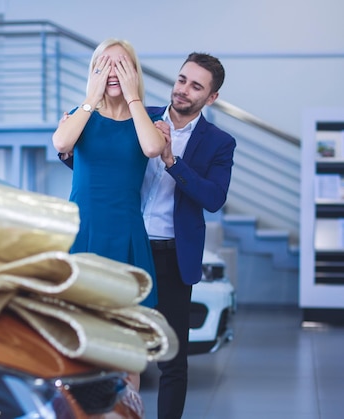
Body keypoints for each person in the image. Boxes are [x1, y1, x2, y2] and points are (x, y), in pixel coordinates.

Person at [141, 52, 236, 419]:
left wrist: (171, 161)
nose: (183, 90)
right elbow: (89, 157)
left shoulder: (219, 142)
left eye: (196, 85)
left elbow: (213, 198)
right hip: (128, 247)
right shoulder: (141, 118)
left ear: (210, 98)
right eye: (182, 79)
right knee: (116, 349)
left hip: (172, 256)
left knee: (172, 359)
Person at [52, 38, 166, 310]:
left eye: (121, 66)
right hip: (84, 228)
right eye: (105, 66)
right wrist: (91, 98)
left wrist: (133, 96)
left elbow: (152, 148)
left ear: (134, 72)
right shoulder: (82, 115)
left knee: (127, 319)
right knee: (79, 316)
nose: (113, 73)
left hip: (126, 231)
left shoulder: (147, 123)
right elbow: (61, 143)